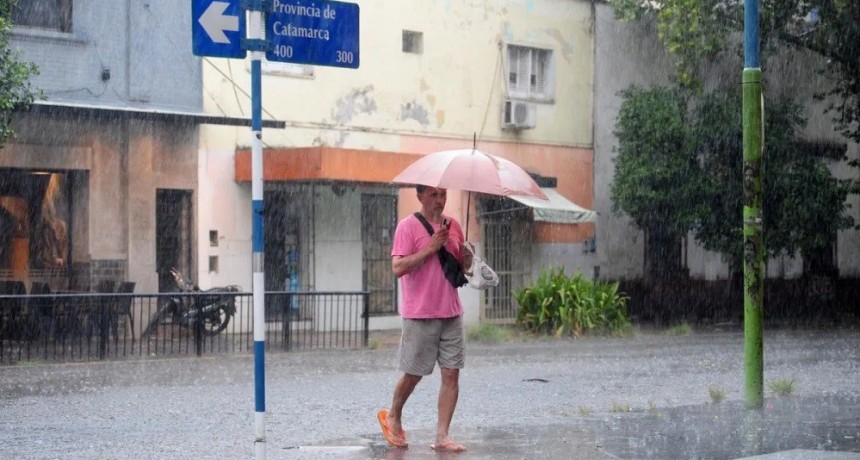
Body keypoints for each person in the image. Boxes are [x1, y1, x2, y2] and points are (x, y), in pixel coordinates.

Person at [377, 185, 473, 452]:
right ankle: (393, 414)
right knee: (414, 373)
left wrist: (466, 258)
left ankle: (442, 436)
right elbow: (397, 267)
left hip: (451, 311)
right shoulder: (407, 227)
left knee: (452, 373)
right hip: (420, 313)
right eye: (433, 195)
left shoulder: (453, 225)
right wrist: (430, 247)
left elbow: (461, 268)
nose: (440, 200)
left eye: (443, 194)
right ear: (420, 196)